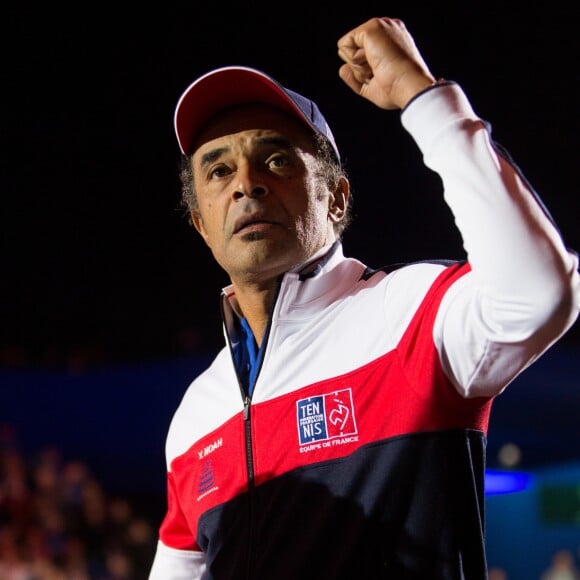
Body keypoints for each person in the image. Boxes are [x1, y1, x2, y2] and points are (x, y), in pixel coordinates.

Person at [148, 15, 580, 580]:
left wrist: (423, 99)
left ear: (335, 198)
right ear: (203, 224)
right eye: (219, 169)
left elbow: (538, 292)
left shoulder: (408, 314)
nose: (246, 183)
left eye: (276, 160)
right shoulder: (196, 413)